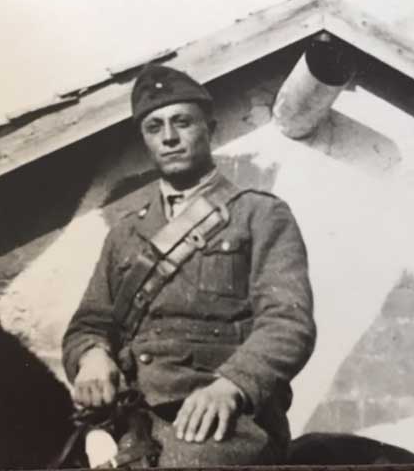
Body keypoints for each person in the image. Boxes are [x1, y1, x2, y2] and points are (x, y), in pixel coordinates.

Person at [62, 64, 316, 466]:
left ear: (209, 129)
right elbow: (89, 324)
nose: (169, 137)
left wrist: (232, 385)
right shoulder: (125, 233)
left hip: (219, 417)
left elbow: (288, 322)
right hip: (126, 416)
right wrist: (91, 357)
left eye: (182, 122)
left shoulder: (259, 215)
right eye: (154, 127)